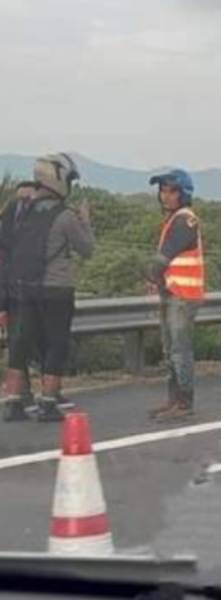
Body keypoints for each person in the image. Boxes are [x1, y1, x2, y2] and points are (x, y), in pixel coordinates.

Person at [0, 154, 94, 422]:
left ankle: (13, 402)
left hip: (22, 289)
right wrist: (86, 220)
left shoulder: (20, 211)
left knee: (19, 346)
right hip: (55, 290)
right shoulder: (65, 216)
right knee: (56, 345)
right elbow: (86, 249)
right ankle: (48, 402)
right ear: (59, 178)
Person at [145, 169, 206, 421]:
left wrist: (151, 275)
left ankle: (184, 402)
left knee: (179, 350)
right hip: (172, 292)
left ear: (184, 194)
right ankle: (174, 400)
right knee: (171, 350)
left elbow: (164, 257)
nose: (165, 196)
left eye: (171, 191)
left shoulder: (185, 220)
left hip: (183, 295)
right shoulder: (174, 220)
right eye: (162, 190)